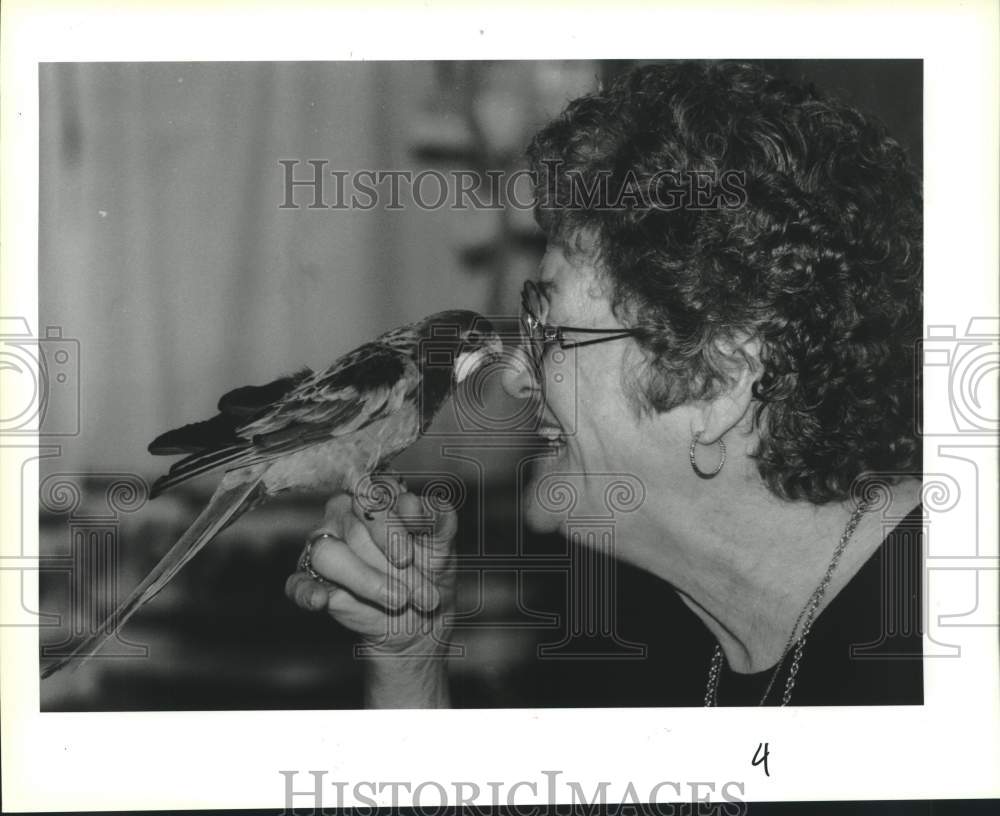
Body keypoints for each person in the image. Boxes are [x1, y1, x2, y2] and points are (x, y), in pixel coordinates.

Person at [284, 61, 924, 708]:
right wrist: (411, 657)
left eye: (551, 330)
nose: (515, 377)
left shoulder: (943, 661)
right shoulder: (636, 631)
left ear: (721, 382)